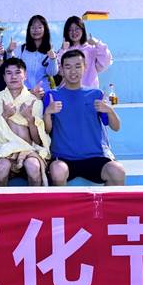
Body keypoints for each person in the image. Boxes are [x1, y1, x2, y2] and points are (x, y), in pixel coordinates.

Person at [44, 49, 125, 186]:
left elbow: (116, 127)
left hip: (94, 157)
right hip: (63, 158)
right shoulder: (52, 96)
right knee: (57, 171)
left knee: (117, 171)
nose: (73, 71)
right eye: (68, 67)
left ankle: (109, 202)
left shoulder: (96, 94)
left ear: (85, 67)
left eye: (77, 66)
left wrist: (109, 110)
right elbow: (47, 130)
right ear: (61, 70)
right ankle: (61, 202)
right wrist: (47, 113)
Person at [0, 58, 50, 186]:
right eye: (9, 73)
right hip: (3, 150)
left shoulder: (34, 101)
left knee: (33, 166)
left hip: (30, 150)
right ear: (4, 77)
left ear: (25, 76)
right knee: (2, 166)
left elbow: (38, 141)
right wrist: (4, 116)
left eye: (18, 72)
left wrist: (30, 119)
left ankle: (35, 199)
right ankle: (1, 199)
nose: (13, 77)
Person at [57, 15, 113, 89]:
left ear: (82, 29)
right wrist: (62, 50)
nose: (74, 32)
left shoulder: (91, 49)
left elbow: (106, 61)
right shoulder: (65, 50)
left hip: (89, 91)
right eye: (70, 30)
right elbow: (58, 70)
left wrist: (97, 43)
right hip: (69, 91)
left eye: (77, 28)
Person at [12, 15, 58, 98]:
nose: (36, 30)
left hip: (43, 93)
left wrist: (53, 59)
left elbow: (52, 73)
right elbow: (11, 66)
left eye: (39, 27)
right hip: (25, 94)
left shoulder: (50, 50)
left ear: (45, 29)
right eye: (33, 27)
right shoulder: (21, 49)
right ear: (29, 30)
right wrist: (9, 51)